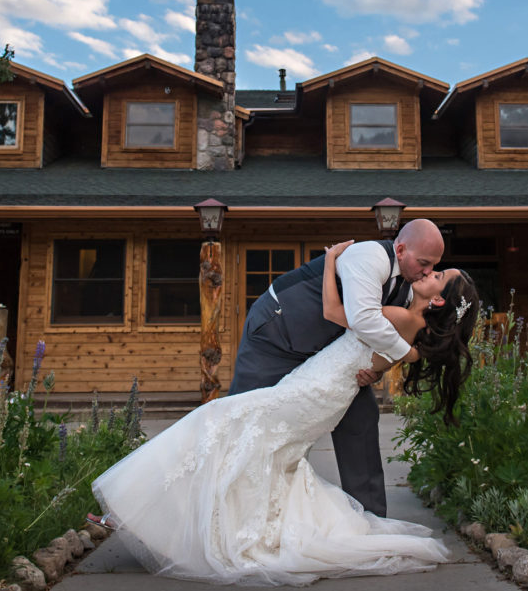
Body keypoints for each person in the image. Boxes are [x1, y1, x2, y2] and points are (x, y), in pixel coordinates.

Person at [90, 242, 479, 586]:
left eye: (438, 272)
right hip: (317, 385)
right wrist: (375, 370)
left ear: (440, 300)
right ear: (404, 251)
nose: (430, 271)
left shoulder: (401, 315)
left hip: (312, 390)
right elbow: (384, 352)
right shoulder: (404, 313)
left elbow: (339, 313)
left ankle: (153, 520)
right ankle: (170, 522)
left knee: (220, 425)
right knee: (253, 446)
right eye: (430, 264)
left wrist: (329, 262)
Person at [230, 218, 445, 518]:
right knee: (244, 418)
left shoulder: (410, 291)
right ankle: (232, 510)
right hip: (277, 334)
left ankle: (370, 520)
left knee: (361, 419)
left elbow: (383, 333)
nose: (427, 271)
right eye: (423, 262)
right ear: (400, 248)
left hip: (328, 359)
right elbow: (364, 320)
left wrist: (378, 370)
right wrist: (409, 355)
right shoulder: (369, 256)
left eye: (434, 265)